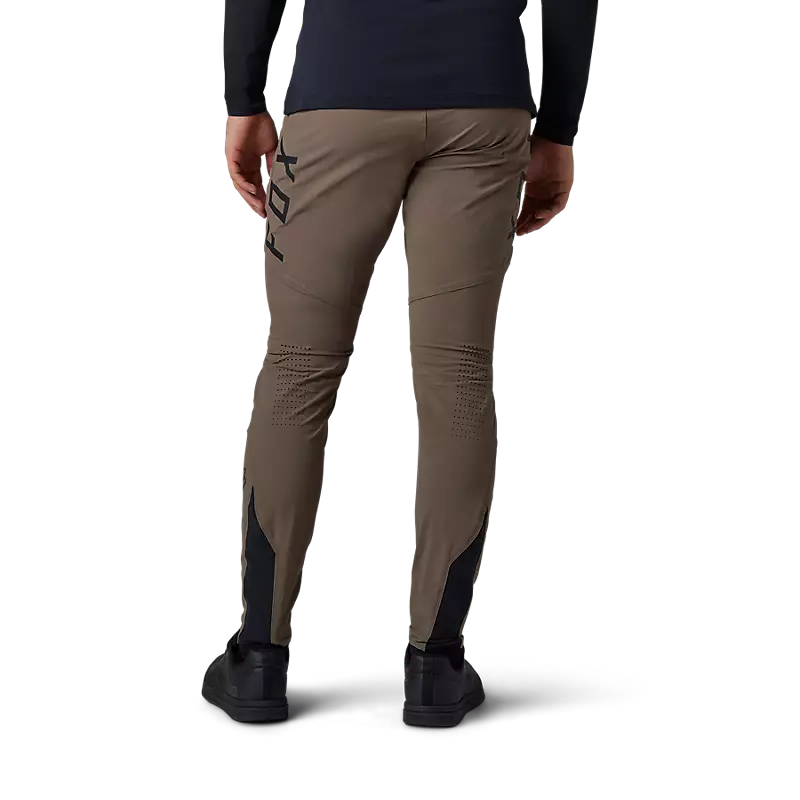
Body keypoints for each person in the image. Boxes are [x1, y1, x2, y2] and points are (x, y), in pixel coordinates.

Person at [200, 0, 599, 727]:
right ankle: (436, 668)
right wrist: (559, 129)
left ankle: (257, 660)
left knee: (297, 367)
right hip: (485, 101)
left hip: (339, 94)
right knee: (459, 374)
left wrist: (243, 97)